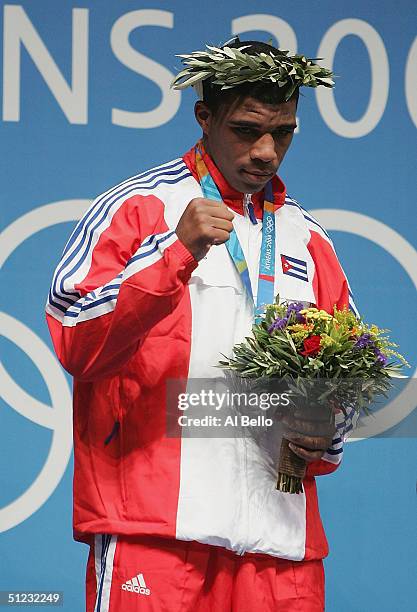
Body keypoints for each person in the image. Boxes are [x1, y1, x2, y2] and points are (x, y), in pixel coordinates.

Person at [46, 39, 356, 611]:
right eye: (246, 129)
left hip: (279, 541)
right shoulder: (141, 208)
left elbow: (348, 376)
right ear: (204, 117)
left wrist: (326, 427)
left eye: (283, 132)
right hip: (156, 528)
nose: (266, 151)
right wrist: (174, 252)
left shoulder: (308, 239)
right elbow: (75, 338)